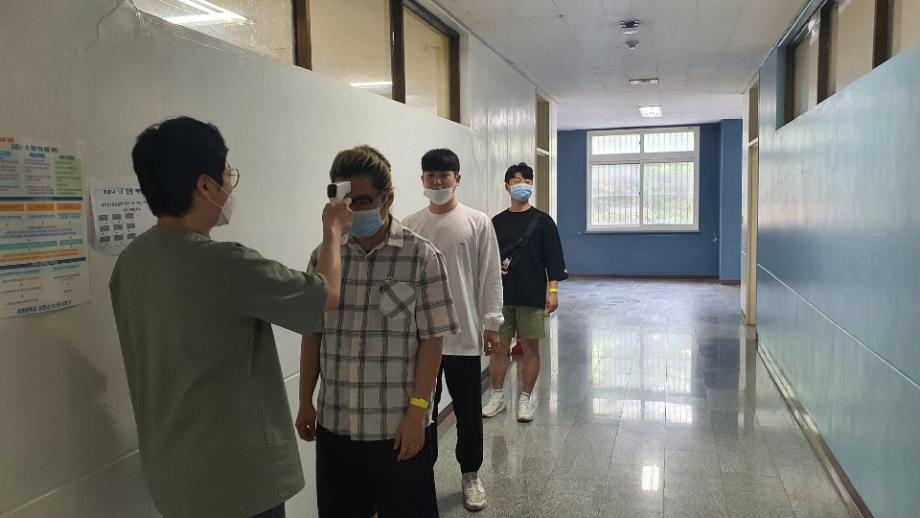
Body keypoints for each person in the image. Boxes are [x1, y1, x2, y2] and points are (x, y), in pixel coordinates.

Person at [109, 116, 352, 518]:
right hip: (238, 480)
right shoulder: (224, 263)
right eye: (227, 175)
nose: (230, 186)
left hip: (174, 476)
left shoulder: (131, 263)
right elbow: (326, 294)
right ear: (205, 186)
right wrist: (333, 232)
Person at [296, 145, 460, 518]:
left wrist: (418, 413)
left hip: (398, 428)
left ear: (388, 198)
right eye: (343, 200)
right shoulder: (324, 257)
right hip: (337, 424)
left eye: (363, 201)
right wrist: (306, 400)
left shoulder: (421, 257)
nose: (351, 211)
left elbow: (432, 342)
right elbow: (313, 333)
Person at [403, 148, 503, 512]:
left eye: (444, 175)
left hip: (463, 337)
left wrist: (491, 323)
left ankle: (470, 474)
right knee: (421, 409)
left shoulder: (477, 222)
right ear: (422, 180)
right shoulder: (410, 224)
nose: (437, 182)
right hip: (421, 339)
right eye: (430, 176)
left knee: (467, 410)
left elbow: (489, 276)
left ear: (457, 179)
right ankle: (419, 474)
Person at [482, 162, 567, 423]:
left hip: (531, 294)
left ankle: (526, 398)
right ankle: (497, 396)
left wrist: (553, 291)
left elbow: (553, 259)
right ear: (507, 186)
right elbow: (486, 257)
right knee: (499, 348)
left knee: (530, 348)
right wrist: (493, 269)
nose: (522, 185)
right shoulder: (496, 222)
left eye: (527, 181)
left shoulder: (543, 222)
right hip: (501, 296)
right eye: (517, 181)